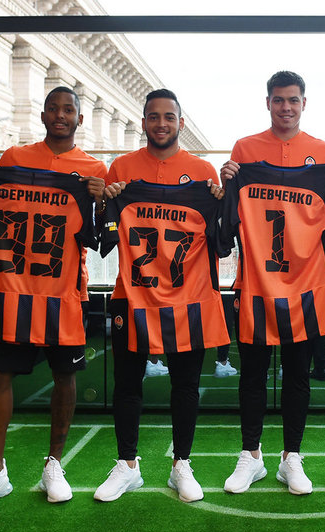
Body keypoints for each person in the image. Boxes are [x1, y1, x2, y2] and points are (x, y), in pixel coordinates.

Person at [0, 86, 106, 509]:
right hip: (12, 289)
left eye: (68, 110)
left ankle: (54, 464)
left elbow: (99, 236)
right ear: (42, 116)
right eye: (53, 109)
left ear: (79, 119)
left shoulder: (94, 169)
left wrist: (100, 199)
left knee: (65, 376)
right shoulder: (13, 159)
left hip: (63, 291)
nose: (60, 115)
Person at [219, 70, 325, 495]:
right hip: (256, 283)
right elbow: (228, 219)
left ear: (304, 103)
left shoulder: (324, 152)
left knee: (297, 375)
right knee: (252, 375)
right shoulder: (244, 150)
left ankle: (291, 456)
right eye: (278, 100)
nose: (286, 107)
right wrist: (226, 183)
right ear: (268, 103)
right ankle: (251, 454)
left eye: (293, 100)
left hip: (304, 285)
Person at [92, 88, 223, 503]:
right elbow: (103, 236)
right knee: (128, 382)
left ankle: (181, 462)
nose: (161, 124)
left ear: (180, 122)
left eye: (169, 117)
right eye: (153, 116)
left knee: (185, 384)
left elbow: (221, 242)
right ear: (144, 121)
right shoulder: (121, 168)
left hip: (188, 295)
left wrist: (220, 203)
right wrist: (105, 202)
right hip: (133, 293)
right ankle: (127, 464)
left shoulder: (203, 172)